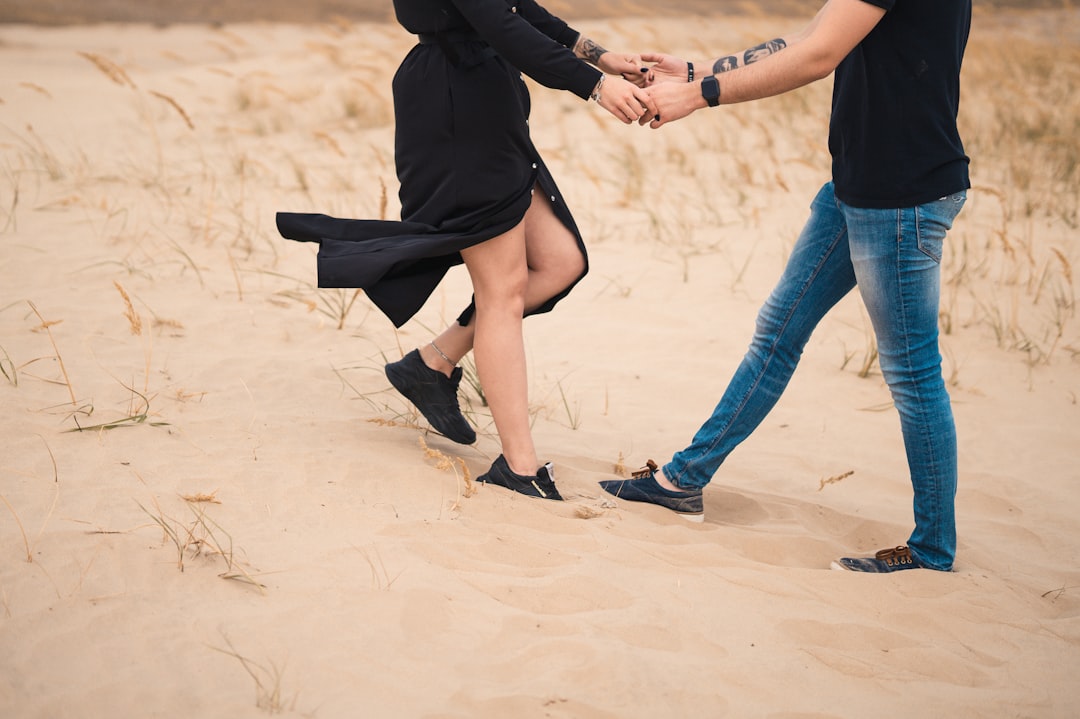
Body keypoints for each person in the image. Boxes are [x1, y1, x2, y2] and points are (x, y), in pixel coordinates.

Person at [600, 0, 971, 572]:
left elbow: (819, 57)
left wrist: (700, 95)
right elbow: (815, 34)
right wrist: (701, 71)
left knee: (912, 374)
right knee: (777, 333)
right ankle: (683, 480)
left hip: (901, 199)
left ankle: (931, 550)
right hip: (858, 186)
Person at [277, 0, 656, 500]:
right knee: (502, 289)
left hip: (485, 99)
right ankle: (519, 469)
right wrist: (593, 84)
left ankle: (432, 363)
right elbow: (498, 21)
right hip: (455, 103)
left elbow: (512, 6)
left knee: (561, 261)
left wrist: (598, 55)